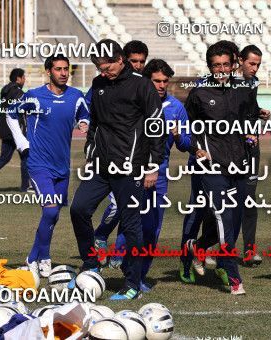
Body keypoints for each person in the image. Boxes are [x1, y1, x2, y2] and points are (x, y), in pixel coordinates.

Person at [69, 39, 166, 300]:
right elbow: (96, 123)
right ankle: (91, 266)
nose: (103, 70)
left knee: (131, 224)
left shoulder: (141, 84)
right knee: (79, 209)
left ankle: (132, 283)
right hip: (101, 165)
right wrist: (90, 153)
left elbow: (157, 125)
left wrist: (153, 166)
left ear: (120, 59)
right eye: (98, 66)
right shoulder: (99, 84)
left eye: (106, 65)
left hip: (131, 167)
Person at [93, 59, 190, 292]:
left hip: (160, 174)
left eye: (165, 81)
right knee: (129, 220)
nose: (161, 85)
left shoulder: (176, 107)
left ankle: (140, 275)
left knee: (152, 227)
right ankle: (119, 262)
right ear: (148, 81)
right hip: (131, 170)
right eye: (156, 80)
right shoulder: (135, 99)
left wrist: (178, 136)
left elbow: (186, 143)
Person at [181, 43, 257, 295]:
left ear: (234, 64)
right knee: (224, 219)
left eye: (225, 64)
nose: (221, 70)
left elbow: (248, 119)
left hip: (240, 164)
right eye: (216, 65)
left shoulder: (244, 91)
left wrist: (250, 134)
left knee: (233, 222)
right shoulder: (199, 94)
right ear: (209, 67)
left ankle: (196, 246)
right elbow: (187, 127)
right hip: (212, 167)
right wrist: (196, 149)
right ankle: (234, 278)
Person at [6, 56, 89, 279]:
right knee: (51, 210)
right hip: (38, 164)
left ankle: (45, 256)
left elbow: (84, 113)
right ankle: (32, 258)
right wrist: (22, 143)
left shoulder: (76, 96)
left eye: (66, 69)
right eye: (58, 69)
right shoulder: (33, 96)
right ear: (48, 72)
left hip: (63, 167)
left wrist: (84, 123)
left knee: (52, 216)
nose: (63, 73)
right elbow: (10, 115)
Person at [90, 40, 150, 269]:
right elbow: (95, 116)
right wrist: (91, 145)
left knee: (141, 218)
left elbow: (160, 130)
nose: (137, 65)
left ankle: (130, 266)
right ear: (124, 58)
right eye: (133, 60)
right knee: (121, 209)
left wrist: (154, 164)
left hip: (148, 165)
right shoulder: (103, 85)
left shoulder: (146, 85)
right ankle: (105, 243)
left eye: (141, 61)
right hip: (118, 162)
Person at [237, 44, 271, 266]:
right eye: (251, 63)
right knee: (220, 200)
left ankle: (249, 250)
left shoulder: (253, 83)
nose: (255, 68)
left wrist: (259, 113)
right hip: (230, 149)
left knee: (249, 198)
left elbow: (248, 109)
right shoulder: (228, 84)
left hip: (251, 147)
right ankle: (209, 247)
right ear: (240, 60)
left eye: (258, 64)